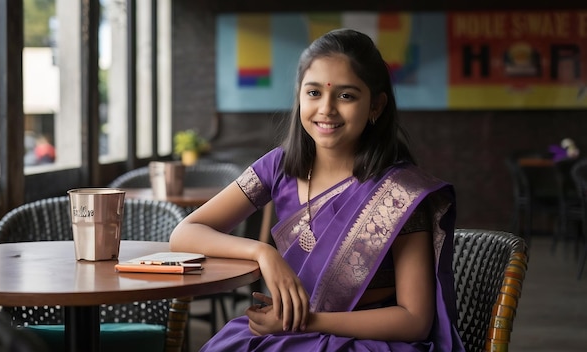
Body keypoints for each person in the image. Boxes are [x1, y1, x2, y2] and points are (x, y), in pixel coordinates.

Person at [170, 28, 464, 351]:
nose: (326, 109)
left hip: (365, 341)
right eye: (314, 93)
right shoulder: (278, 168)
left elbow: (414, 320)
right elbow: (185, 232)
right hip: (286, 331)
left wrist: (308, 321)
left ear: (376, 106)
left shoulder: (399, 191)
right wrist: (263, 253)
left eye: (346, 95)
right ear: (299, 95)